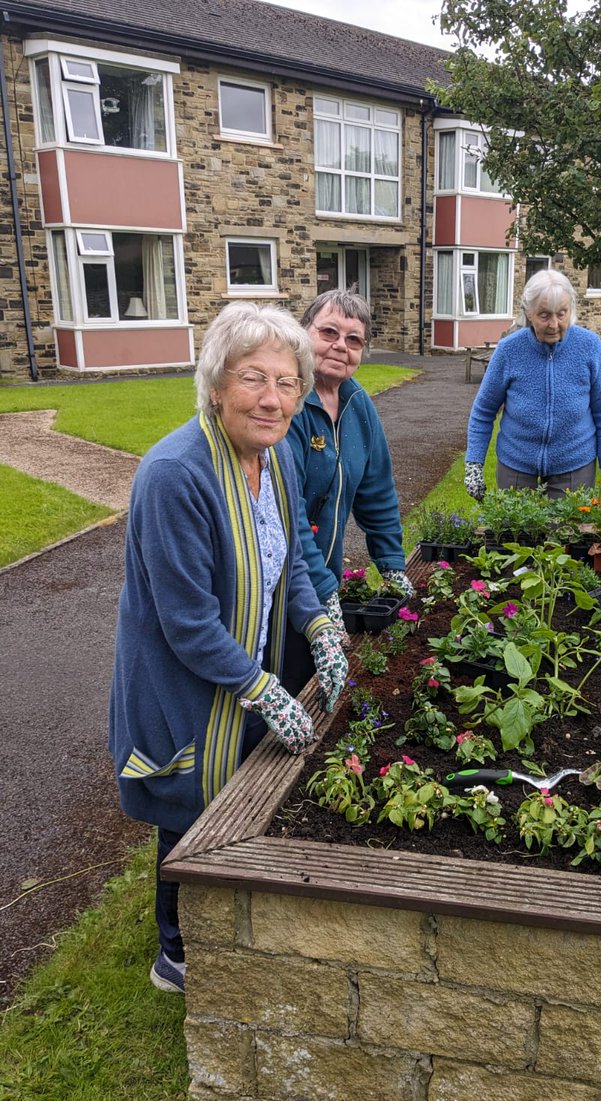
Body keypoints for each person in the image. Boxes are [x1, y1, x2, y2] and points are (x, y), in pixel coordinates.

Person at [109, 301, 348, 994]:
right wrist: (263, 686)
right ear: (216, 386)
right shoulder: (175, 474)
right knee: (189, 812)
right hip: (182, 680)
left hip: (240, 667)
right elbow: (186, 620)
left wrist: (322, 627)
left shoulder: (275, 462)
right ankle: (176, 953)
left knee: (235, 802)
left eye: (286, 382)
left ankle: (225, 927)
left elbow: (294, 562)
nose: (272, 399)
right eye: (253, 379)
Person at [281, 289, 412, 692]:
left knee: (313, 675)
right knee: (283, 668)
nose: (341, 346)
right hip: (281, 579)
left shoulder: (357, 405)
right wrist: (322, 591)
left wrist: (392, 563)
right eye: (329, 332)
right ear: (304, 334)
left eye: (354, 339)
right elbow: (290, 511)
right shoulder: (289, 404)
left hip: (323, 570)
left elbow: (377, 491)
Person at [463, 268, 601, 501]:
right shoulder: (509, 350)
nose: (554, 324)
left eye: (562, 314)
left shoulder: (589, 347)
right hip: (516, 462)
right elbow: (483, 410)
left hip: (573, 462)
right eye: (544, 315)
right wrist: (474, 465)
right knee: (514, 534)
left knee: (568, 534)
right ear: (528, 313)